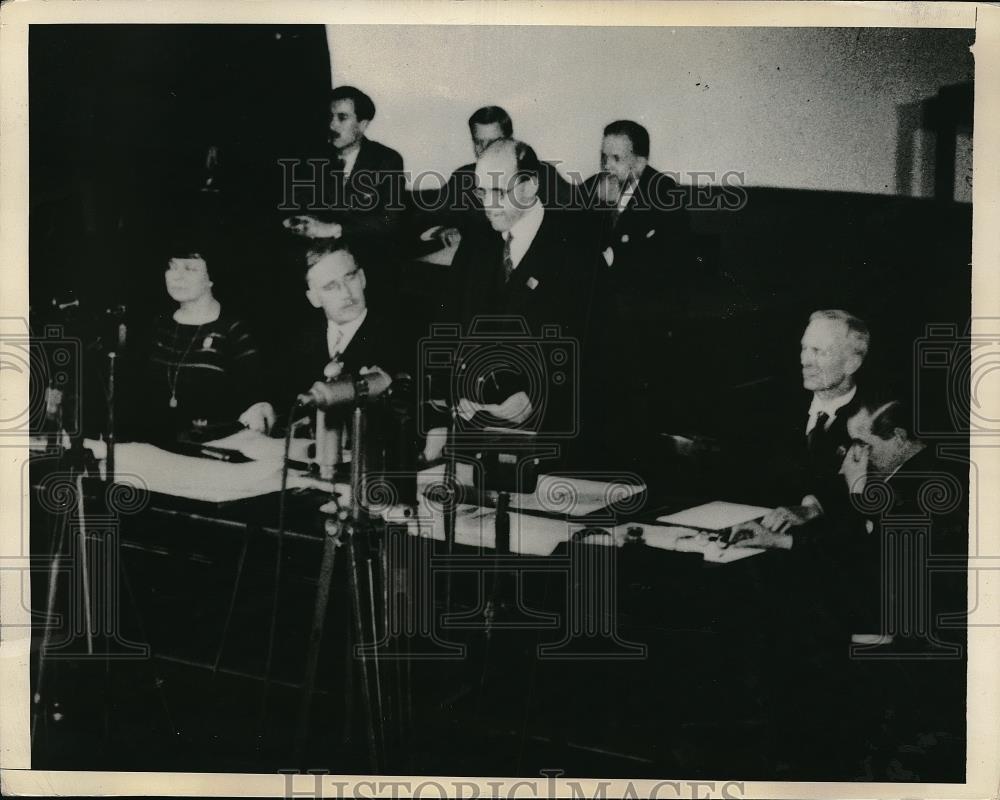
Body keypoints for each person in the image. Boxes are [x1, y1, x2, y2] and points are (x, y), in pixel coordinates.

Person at [436, 138, 597, 436]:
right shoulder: (476, 242)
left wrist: (536, 397)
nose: (488, 205)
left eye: (499, 192)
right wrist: (454, 399)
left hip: (550, 427)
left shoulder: (576, 249)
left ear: (529, 186)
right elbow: (449, 326)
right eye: (482, 192)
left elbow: (590, 349)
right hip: (474, 416)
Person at [130, 245, 272, 444]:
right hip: (157, 449)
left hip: (216, 450)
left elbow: (255, 396)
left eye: (190, 269)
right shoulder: (158, 326)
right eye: (172, 266)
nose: (176, 276)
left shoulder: (234, 329)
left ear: (211, 277)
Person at [418, 106, 576, 250]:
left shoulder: (540, 173)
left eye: (494, 142)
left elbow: (572, 219)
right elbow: (429, 215)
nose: (485, 149)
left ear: (510, 139)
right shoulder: (463, 177)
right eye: (479, 142)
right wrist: (443, 229)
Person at [282, 86, 406, 265]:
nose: (332, 125)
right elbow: (294, 202)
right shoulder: (315, 158)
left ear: (362, 125)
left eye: (342, 117)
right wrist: (293, 220)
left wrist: (334, 228)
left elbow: (389, 222)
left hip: (369, 258)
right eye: (330, 117)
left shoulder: (386, 160)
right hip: (320, 257)